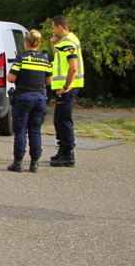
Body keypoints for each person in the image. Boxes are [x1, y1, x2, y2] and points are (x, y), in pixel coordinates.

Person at [6, 29, 52, 172]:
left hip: (23, 98)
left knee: (20, 131)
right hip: (39, 98)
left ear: (26, 43)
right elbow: (49, 81)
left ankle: (18, 163)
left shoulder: (22, 58)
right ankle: (34, 163)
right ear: (38, 43)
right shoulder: (45, 60)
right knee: (35, 130)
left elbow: (10, 78)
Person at [50, 14, 85, 167]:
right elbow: (60, 61)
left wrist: (65, 86)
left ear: (59, 26)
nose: (52, 31)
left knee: (63, 120)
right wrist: (54, 44)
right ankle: (63, 150)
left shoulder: (67, 42)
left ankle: (68, 154)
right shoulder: (69, 40)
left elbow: (73, 67)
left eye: (53, 28)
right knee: (59, 119)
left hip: (67, 88)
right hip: (67, 87)